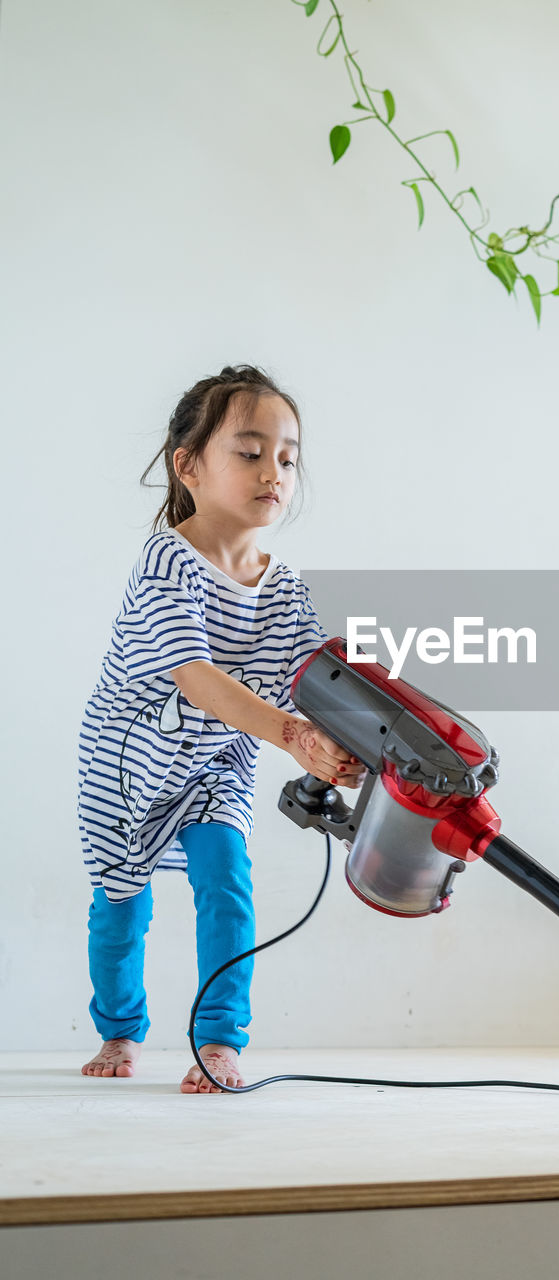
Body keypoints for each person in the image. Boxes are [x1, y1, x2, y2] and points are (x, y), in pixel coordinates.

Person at [78, 364, 364, 1093]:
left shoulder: (287, 588)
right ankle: (118, 1027)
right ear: (188, 466)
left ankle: (219, 1039)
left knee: (227, 885)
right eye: (249, 451)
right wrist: (292, 736)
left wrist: (349, 738)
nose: (274, 471)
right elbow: (196, 676)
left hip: (215, 763)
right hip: (127, 760)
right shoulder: (165, 561)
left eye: (288, 458)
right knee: (120, 903)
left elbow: (318, 680)